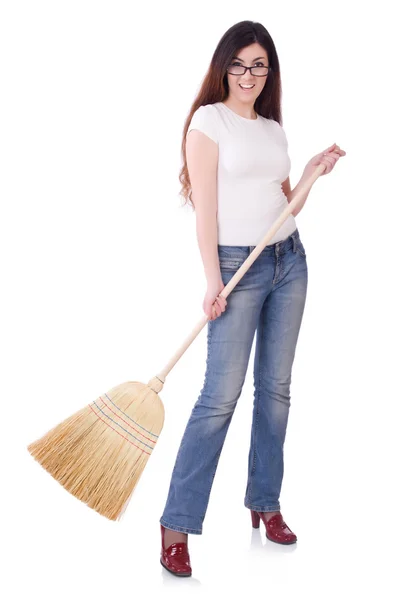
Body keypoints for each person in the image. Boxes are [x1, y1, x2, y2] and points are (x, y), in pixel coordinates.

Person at [159, 20, 345, 577]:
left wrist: (310, 172)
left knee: (277, 391)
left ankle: (265, 502)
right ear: (224, 67)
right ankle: (176, 524)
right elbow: (207, 210)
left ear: (270, 72)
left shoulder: (271, 128)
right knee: (219, 398)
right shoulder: (208, 122)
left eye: (259, 65)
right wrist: (214, 280)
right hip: (237, 267)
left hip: (290, 261)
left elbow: (286, 207)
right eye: (239, 64)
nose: (249, 75)